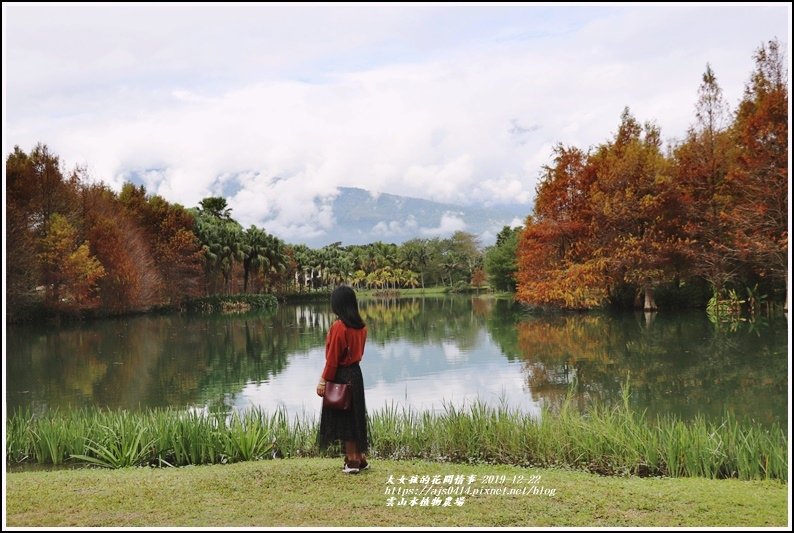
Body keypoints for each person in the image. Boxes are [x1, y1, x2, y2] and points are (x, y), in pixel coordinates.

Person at [316, 285, 369, 474]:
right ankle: (360, 457)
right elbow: (359, 353)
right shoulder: (361, 327)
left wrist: (323, 380)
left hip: (342, 375)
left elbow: (332, 359)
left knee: (346, 419)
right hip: (356, 373)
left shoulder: (339, 327)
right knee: (356, 416)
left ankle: (352, 460)